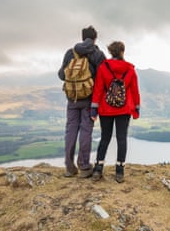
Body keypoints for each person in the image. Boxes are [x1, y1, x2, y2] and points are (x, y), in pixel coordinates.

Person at [58, 26, 106, 178]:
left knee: (71, 130)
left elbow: (61, 75)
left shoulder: (70, 53)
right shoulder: (98, 54)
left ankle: (69, 167)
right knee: (86, 131)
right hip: (89, 100)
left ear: (82, 37)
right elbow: (101, 80)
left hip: (72, 99)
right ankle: (84, 167)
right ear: (95, 38)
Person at [90, 41, 140, 183]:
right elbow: (135, 90)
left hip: (106, 109)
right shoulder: (130, 69)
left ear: (111, 52)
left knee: (105, 138)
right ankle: (119, 172)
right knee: (121, 138)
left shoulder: (103, 68)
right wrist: (136, 108)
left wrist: (94, 109)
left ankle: (98, 169)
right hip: (124, 109)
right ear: (123, 51)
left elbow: (98, 89)